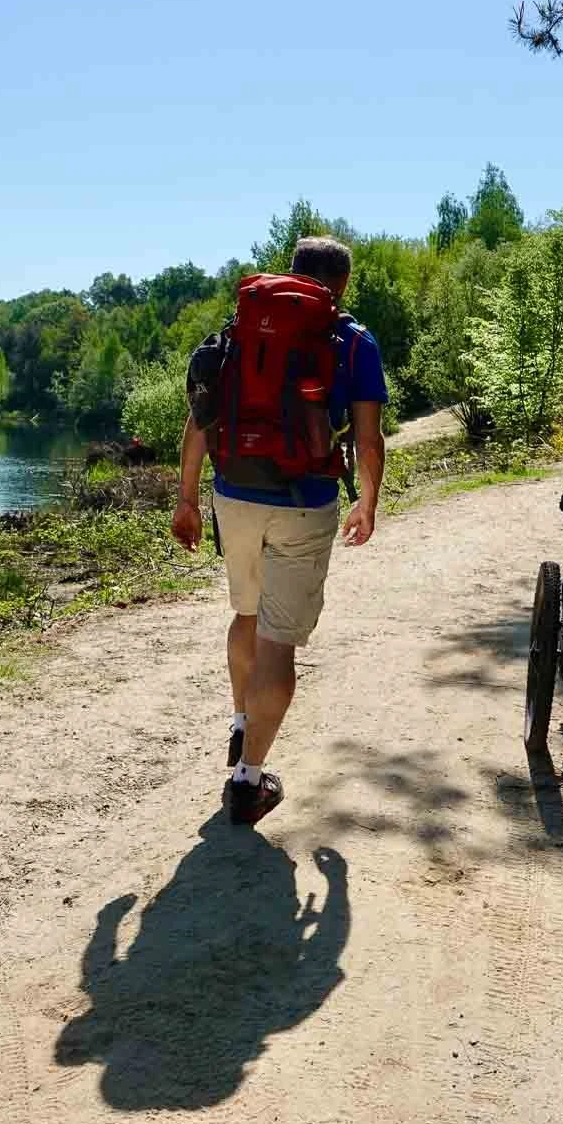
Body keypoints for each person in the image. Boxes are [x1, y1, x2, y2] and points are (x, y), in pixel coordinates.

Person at [170, 237, 388, 826]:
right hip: (304, 501)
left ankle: (242, 722)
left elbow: (199, 419)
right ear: (340, 284)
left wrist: (187, 499)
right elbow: (367, 439)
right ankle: (248, 782)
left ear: (292, 273)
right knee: (278, 641)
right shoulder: (353, 341)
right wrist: (367, 503)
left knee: (246, 614)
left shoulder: (239, 331)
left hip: (233, 492)